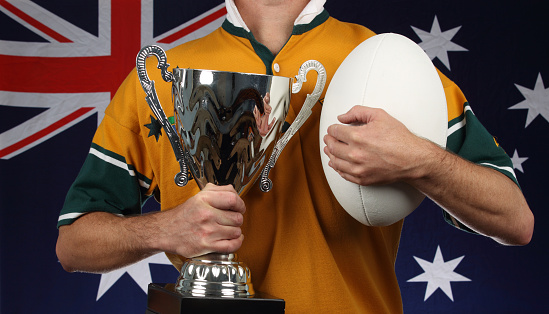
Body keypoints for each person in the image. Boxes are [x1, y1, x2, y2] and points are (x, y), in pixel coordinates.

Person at [56, 0, 534, 312]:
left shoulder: (387, 66)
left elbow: (515, 219)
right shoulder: (164, 79)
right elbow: (73, 244)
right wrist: (166, 228)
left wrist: (422, 161)